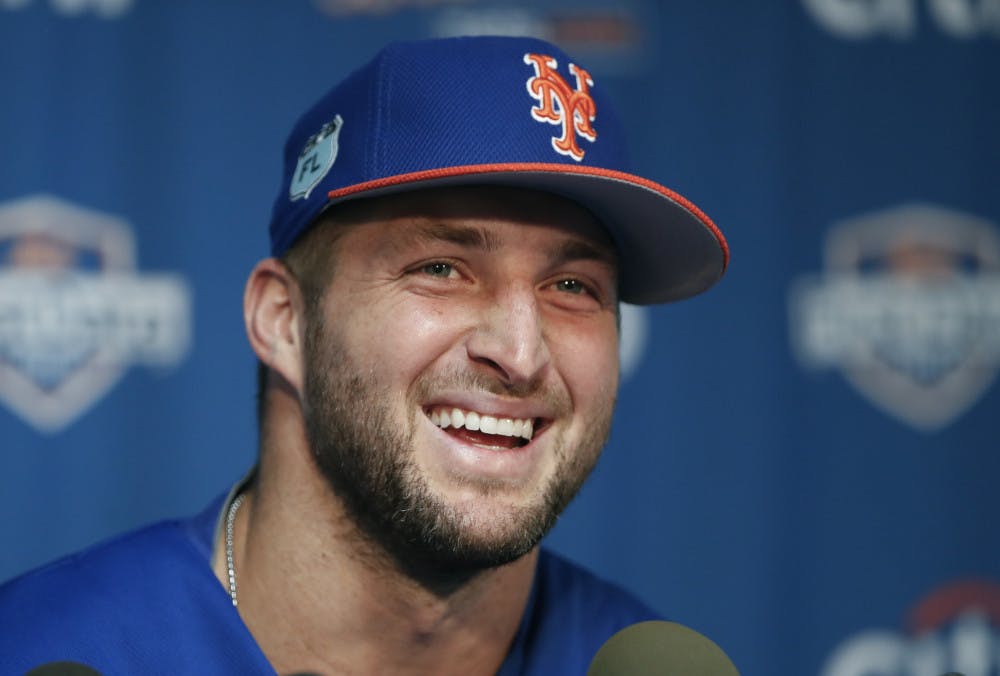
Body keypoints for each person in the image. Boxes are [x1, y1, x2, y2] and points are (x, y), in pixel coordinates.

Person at [0, 35, 728, 675]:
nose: (520, 351)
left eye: (572, 285)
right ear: (284, 321)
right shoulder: (45, 647)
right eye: (441, 268)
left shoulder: (634, 660)